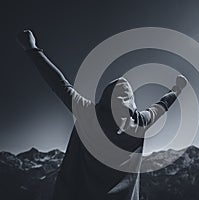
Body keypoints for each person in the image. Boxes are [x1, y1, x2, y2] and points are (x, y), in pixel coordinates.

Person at [17, 30, 188, 200]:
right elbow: (162, 105)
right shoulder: (140, 122)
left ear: (106, 96)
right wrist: (177, 89)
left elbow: (60, 84)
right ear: (131, 102)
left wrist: (31, 48)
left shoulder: (90, 114)